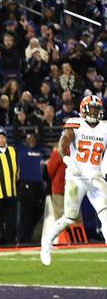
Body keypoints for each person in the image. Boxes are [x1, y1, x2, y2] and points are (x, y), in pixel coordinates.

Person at [41, 96, 107, 265]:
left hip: (96, 175)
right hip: (77, 175)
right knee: (70, 217)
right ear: (83, 109)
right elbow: (63, 144)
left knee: (105, 214)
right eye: (91, 108)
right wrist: (67, 160)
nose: (94, 112)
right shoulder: (75, 124)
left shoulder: (104, 127)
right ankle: (47, 241)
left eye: (96, 109)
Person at [17, 132, 45, 244]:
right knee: (25, 214)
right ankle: (22, 238)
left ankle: (28, 236)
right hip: (26, 185)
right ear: (26, 141)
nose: (31, 141)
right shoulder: (22, 150)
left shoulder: (40, 150)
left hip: (38, 186)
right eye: (29, 139)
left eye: (33, 139)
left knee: (37, 212)